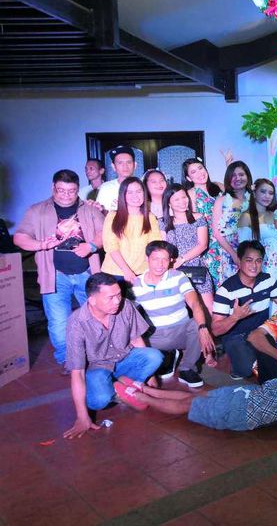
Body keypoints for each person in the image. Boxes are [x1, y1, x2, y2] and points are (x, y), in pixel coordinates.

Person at [114, 335, 277, 431]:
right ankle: (145, 389)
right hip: (247, 394)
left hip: (243, 412)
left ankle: (139, 397)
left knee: (188, 406)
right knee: (194, 396)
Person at [14, 169, 105, 371]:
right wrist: (41, 245)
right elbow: (19, 238)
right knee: (58, 323)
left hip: (88, 274)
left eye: (71, 191)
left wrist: (91, 246)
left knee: (96, 317)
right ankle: (68, 360)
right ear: (53, 188)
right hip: (54, 276)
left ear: (77, 189)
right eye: (61, 190)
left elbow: (104, 233)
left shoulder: (89, 209)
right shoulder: (37, 210)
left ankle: (97, 355)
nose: (66, 195)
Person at [62, 273, 163, 439]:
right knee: (99, 401)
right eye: (110, 298)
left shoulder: (126, 306)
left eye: (119, 295)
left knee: (154, 357)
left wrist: (151, 376)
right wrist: (82, 416)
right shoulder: (77, 322)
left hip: (124, 360)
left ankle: (120, 386)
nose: (117, 301)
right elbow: (77, 372)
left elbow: (137, 340)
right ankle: (119, 388)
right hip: (98, 368)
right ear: (92, 300)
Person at [131, 242, 214, 387]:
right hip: (155, 335)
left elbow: (195, 303)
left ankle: (187, 368)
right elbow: (128, 315)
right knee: (132, 341)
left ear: (171, 260)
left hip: (181, 331)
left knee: (196, 324)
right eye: (156, 259)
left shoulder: (178, 277)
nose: (160, 264)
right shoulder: (136, 284)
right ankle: (169, 355)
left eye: (165, 259)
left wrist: (203, 327)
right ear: (147, 258)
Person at [212, 241, 277, 380]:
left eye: (258, 261)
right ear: (239, 260)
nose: (254, 266)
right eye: (249, 260)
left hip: (260, 333)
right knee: (247, 369)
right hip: (236, 336)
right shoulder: (226, 290)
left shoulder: (267, 280)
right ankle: (237, 362)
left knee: (274, 364)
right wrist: (235, 317)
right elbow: (216, 330)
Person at [160, 184, 213, 316]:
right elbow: (163, 248)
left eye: (184, 197)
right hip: (174, 271)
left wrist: (182, 259)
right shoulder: (163, 222)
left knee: (208, 309)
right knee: (179, 312)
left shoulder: (198, 217)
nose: (182, 202)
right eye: (176, 199)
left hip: (197, 269)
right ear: (169, 203)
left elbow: (203, 245)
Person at [101, 177, 162, 282]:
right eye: (130, 192)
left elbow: (154, 245)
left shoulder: (150, 217)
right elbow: (111, 247)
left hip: (142, 272)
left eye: (139, 191)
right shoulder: (112, 216)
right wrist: (126, 270)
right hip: (114, 273)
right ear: (123, 195)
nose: (135, 196)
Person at [208, 161, 252, 287]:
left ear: (248, 176)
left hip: (253, 251)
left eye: (241, 175)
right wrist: (234, 254)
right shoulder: (221, 200)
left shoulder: (254, 198)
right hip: (230, 253)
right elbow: (216, 232)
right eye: (233, 175)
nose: (238, 178)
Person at [238, 178, 277, 285]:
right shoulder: (246, 217)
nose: (267, 196)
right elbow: (243, 248)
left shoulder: (274, 214)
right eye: (263, 192)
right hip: (258, 265)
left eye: (271, 193)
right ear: (254, 193)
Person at [95, 145, 137, 212]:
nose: (125, 166)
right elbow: (99, 213)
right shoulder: (106, 188)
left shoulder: (143, 185)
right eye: (120, 163)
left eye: (128, 162)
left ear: (135, 165)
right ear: (113, 166)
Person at [182, 157, 222, 225]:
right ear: (189, 178)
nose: (200, 173)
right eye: (193, 172)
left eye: (200, 168)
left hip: (229, 229)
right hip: (207, 231)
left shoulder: (218, 185)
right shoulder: (190, 193)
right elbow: (194, 222)